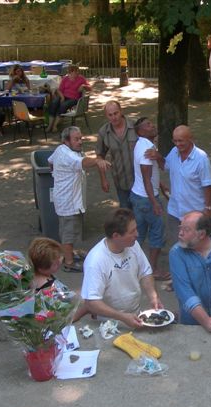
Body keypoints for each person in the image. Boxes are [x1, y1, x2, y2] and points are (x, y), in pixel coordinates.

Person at [81, 208, 162, 329]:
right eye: (132, 231)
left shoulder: (132, 245)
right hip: (108, 324)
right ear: (116, 236)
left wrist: (153, 296)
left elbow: (145, 272)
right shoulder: (96, 261)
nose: (137, 234)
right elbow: (91, 302)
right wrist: (122, 316)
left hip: (134, 316)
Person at [47, 126, 110, 272]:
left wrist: (56, 174)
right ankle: (69, 263)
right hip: (67, 201)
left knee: (72, 230)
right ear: (66, 141)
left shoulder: (66, 151)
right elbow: (83, 163)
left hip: (72, 200)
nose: (80, 141)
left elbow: (50, 161)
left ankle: (70, 254)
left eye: (81, 138)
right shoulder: (66, 154)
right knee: (68, 233)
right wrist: (98, 161)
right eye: (76, 139)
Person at [130, 117, 169, 281]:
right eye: (148, 125)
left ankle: (131, 268)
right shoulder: (147, 149)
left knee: (137, 234)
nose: (152, 126)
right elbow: (147, 178)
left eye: (152, 123)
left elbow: (151, 172)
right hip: (147, 199)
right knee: (156, 234)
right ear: (140, 131)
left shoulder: (142, 144)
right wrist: (155, 203)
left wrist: (160, 184)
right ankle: (152, 269)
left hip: (137, 196)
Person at [164, 125, 211, 247]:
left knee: (195, 247)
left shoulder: (201, 158)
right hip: (175, 211)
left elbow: (207, 185)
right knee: (177, 247)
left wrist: (207, 208)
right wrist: (156, 156)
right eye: (175, 140)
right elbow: (166, 166)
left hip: (194, 212)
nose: (177, 144)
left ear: (191, 139)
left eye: (180, 140)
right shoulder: (173, 152)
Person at [27, 237, 89, 322]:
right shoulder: (49, 288)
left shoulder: (32, 276)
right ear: (42, 268)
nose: (60, 262)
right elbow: (65, 317)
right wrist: (86, 309)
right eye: (56, 263)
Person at [96, 100, 138, 209]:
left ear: (121, 111)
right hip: (120, 180)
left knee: (141, 213)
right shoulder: (103, 132)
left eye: (116, 113)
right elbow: (100, 156)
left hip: (139, 180)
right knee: (126, 214)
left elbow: (150, 142)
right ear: (106, 116)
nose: (114, 117)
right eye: (110, 115)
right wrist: (103, 179)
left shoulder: (135, 126)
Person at [47, 65, 92, 133]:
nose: (77, 73)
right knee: (54, 103)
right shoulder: (65, 79)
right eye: (75, 71)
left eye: (77, 71)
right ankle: (50, 126)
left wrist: (83, 85)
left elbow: (90, 88)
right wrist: (62, 97)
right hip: (64, 96)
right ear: (70, 72)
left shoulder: (81, 78)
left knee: (63, 106)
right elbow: (59, 90)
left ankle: (54, 126)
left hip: (74, 98)